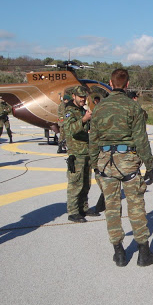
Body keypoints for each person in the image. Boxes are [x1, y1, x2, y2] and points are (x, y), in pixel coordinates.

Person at [89, 68, 153, 267]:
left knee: (112, 209)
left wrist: (94, 164)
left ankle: (119, 253)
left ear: (110, 83)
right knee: (136, 207)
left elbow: (93, 139)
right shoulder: (133, 107)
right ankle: (143, 253)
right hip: (128, 163)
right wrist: (150, 164)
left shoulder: (99, 108)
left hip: (105, 163)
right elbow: (141, 140)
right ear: (127, 84)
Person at [63, 85, 98, 223]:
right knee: (75, 184)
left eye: (84, 97)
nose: (83, 99)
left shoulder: (81, 110)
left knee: (85, 183)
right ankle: (73, 211)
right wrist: (84, 119)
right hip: (76, 153)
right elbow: (70, 130)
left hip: (86, 152)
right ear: (74, 97)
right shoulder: (69, 111)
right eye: (80, 97)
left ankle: (83, 207)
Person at [57, 88, 74, 154]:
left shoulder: (61, 105)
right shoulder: (64, 106)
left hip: (62, 122)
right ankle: (60, 148)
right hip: (64, 122)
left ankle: (60, 148)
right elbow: (66, 114)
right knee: (63, 135)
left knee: (62, 135)